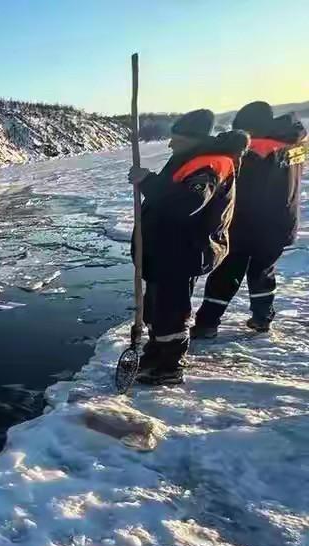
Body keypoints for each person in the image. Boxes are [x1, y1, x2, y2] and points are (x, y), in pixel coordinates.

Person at [127, 109, 249, 385]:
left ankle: (169, 367)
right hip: (169, 249)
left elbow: (185, 204)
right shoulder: (192, 159)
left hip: (183, 251)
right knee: (157, 308)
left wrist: (147, 182)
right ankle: (156, 353)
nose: (170, 144)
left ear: (192, 139)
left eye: (176, 138)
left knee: (170, 311)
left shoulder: (209, 165)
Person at [192, 102, 307, 337]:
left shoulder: (254, 150)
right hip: (281, 223)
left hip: (245, 224)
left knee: (226, 273)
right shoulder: (297, 147)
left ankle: (207, 324)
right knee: (263, 271)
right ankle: (262, 318)